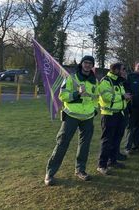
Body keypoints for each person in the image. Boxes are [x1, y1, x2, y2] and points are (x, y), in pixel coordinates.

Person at [44, 55, 98, 186]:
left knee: (85, 146)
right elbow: (62, 96)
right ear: (81, 64)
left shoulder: (94, 81)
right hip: (71, 116)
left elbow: (95, 98)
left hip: (88, 118)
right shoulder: (71, 78)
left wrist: (95, 109)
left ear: (92, 66)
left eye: (90, 63)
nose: (87, 65)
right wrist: (77, 94)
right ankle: (50, 173)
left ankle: (80, 170)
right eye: (85, 63)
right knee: (62, 143)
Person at [96, 63, 131, 175]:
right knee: (107, 140)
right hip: (109, 115)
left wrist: (126, 99)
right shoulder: (105, 81)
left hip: (119, 114)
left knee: (117, 139)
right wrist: (122, 97)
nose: (124, 71)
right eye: (122, 69)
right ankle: (102, 165)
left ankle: (113, 161)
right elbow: (106, 98)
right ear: (116, 70)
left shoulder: (119, 81)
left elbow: (121, 98)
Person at [124, 60, 139, 155]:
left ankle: (136, 146)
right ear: (135, 66)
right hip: (132, 106)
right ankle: (127, 147)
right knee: (131, 127)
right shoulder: (129, 77)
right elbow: (126, 90)